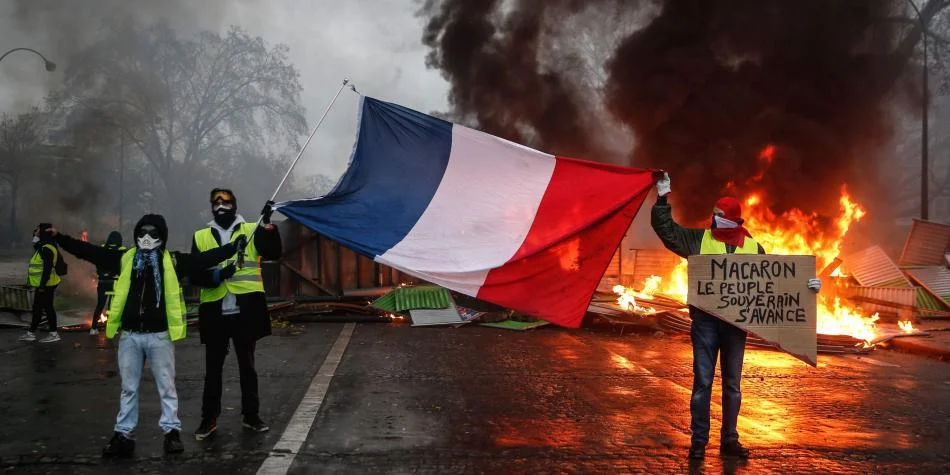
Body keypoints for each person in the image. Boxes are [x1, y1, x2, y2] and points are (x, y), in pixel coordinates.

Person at [650, 172, 821, 460]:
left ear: (734, 219)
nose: (714, 219)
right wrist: (662, 199)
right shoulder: (698, 239)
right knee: (703, 382)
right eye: (713, 214)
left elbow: (776, 284)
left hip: (736, 325)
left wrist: (808, 287)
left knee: (732, 384)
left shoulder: (754, 249)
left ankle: (730, 439)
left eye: (720, 215)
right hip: (705, 322)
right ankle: (699, 442)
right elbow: (668, 232)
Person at [49, 214, 242, 457]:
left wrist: (232, 248)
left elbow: (203, 259)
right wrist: (60, 238)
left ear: (162, 237)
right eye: (142, 233)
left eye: (153, 233)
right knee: (128, 388)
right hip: (130, 336)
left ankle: (171, 433)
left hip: (159, 335)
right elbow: (89, 251)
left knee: (166, 387)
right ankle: (123, 435)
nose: (147, 238)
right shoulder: (126, 258)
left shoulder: (172, 261)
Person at [191, 188, 281, 441]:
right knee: (213, 370)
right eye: (216, 201)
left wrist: (267, 226)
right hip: (215, 311)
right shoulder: (200, 236)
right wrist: (218, 275)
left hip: (245, 310)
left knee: (247, 367)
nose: (221, 205)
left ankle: (251, 416)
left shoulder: (251, 229)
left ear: (234, 204)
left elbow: (273, 252)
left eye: (226, 201)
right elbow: (195, 273)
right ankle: (208, 419)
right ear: (211, 206)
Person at [19, 223, 65, 343]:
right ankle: (31, 333)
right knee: (38, 308)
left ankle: (53, 334)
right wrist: (35, 235)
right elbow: (36, 245)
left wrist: (42, 286)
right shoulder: (45, 246)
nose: (36, 231)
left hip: (47, 284)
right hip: (45, 284)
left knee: (47, 308)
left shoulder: (46, 248)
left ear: (43, 233)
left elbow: (47, 269)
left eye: (39, 230)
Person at [90, 231, 126, 335]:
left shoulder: (102, 249)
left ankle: (93, 328)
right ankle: (110, 328)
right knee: (112, 306)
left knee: (100, 305)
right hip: (115, 282)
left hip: (102, 282)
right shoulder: (122, 251)